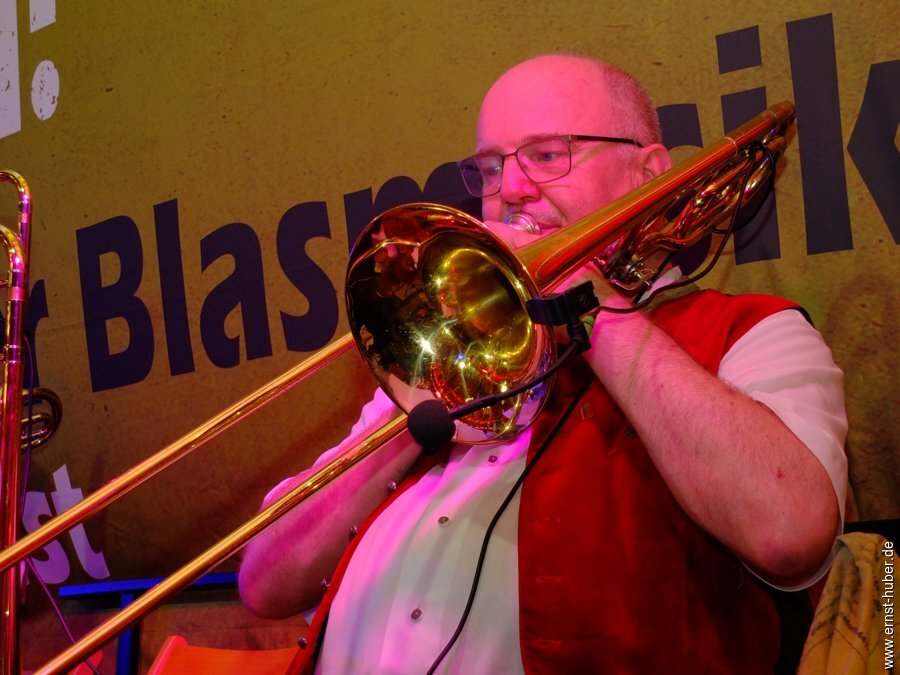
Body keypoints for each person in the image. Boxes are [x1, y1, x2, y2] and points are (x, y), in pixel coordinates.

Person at [238, 54, 848, 674]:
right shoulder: (440, 359)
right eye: (490, 168)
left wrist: (590, 303)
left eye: (549, 155)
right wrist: (429, 383)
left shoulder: (749, 332)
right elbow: (265, 583)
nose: (510, 190)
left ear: (648, 174)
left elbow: (790, 535)